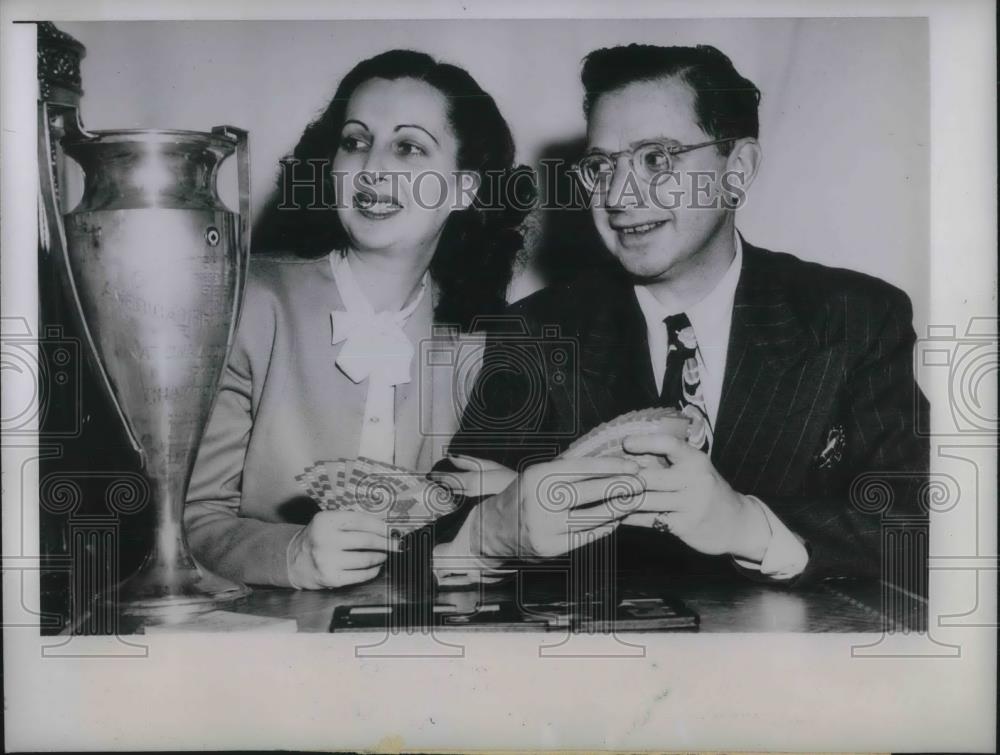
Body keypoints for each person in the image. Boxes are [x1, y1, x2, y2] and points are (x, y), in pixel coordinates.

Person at [440, 44, 929, 587]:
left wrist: (749, 526)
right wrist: (486, 532)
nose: (619, 195)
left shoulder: (855, 319)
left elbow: (921, 523)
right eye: (601, 166)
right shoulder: (533, 330)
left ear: (736, 170)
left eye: (656, 159)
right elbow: (439, 509)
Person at [184, 49, 533, 590]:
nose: (372, 170)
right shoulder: (247, 303)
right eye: (356, 141)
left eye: (409, 148)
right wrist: (291, 554)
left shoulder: (481, 341)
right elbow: (190, 521)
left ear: (464, 188)